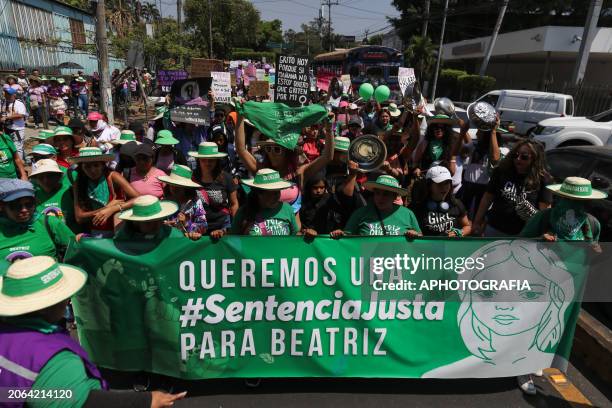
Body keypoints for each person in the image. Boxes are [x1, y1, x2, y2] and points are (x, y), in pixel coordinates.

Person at [0, 256, 187, 407]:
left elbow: (16, 393)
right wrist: (146, 401)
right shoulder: (56, 359)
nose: (68, 299)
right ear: (52, 303)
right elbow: (75, 401)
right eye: (64, 294)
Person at [473, 140, 553, 237]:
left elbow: (544, 211)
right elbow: (487, 198)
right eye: (515, 155)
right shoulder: (501, 171)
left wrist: (545, 232)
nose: (518, 159)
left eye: (524, 157)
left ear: (535, 159)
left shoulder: (543, 179)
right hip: (495, 228)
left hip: (523, 234)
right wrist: (477, 222)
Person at [0, 179, 75, 264]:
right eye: (16, 205)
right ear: (2, 206)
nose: (24, 210)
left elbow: (76, 250)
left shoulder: (49, 223)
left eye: (29, 204)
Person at [70, 147, 139, 236]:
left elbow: (139, 198)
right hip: (95, 232)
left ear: (103, 165)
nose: (92, 170)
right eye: (87, 166)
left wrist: (114, 208)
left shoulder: (113, 177)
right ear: (81, 167)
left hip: (119, 229)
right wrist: (106, 208)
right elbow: (79, 217)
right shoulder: (78, 184)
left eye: (96, 165)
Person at [331, 175, 421, 237]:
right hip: (366, 263)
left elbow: (422, 241)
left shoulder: (408, 214)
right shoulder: (360, 213)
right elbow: (346, 239)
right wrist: (340, 234)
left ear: (394, 196)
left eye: (385, 194)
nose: (380, 198)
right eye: (377, 193)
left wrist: (415, 235)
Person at [521, 177, 605, 243]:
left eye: (578, 201)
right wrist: (539, 241)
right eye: (567, 199)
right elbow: (519, 244)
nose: (572, 205)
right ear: (560, 198)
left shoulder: (593, 224)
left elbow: (592, 255)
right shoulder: (543, 217)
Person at [190, 142, 238, 238]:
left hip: (222, 227)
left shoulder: (226, 178)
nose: (207, 163)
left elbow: (234, 204)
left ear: (217, 161)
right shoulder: (191, 178)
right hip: (197, 229)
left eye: (211, 160)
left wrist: (232, 228)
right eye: (204, 160)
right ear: (198, 160)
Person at [231, 169, 299, 236]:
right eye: (272, 193)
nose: (277, 196)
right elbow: (233, 239)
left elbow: (295, 237)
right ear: (259, 194)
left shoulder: (287, 209)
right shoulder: (243, 212)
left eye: (278, 191)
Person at [410, 166, 471, 237]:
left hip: (449, 247)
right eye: (439, 184)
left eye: (447, 183)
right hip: (426, 247)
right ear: (429, 185)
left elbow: (467, 226)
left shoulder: (456, 204)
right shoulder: (417, 207)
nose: (444, 187)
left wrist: (460, 232)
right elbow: (408, 228)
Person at [159, 165, 207, 240]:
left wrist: (187, 223)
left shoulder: (196, 203)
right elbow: (155, 226)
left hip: (188, 243)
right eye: (172, 184)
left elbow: (203, 227)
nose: (174, 188)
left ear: (186, 187)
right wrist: (164, 226)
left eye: (179, 185)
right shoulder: (164, 203)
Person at [1, 87, 27, 162]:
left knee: (18, 148)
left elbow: (21, 115)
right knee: (9, 146)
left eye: (9, 94)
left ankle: (19, 166)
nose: (7, 95)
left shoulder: (19, 103)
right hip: (7, 128)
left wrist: (7, 117)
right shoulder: (3, 103)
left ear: (14, 95)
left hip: (17, 129)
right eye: (6, 94)